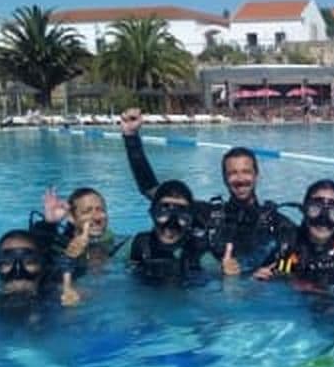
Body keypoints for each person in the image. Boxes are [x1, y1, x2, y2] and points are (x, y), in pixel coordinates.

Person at [120, 108, 296, 275]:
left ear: (256, 175)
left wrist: (275, 275)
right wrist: (131, 138)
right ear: (224, 178)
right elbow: (152, 191)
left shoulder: (277, 222)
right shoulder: (208, 215)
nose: (240, 179)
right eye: (233, 173)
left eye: (246, 172)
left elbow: (302, 252)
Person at [129, 180, 210, 283]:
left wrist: (229, 276)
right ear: (152, 213)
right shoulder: (141, 244)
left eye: (182, 215)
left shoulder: (199, 249)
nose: (172, 223)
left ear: (191, 219)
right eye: (163, 212)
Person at [0, 230, 51, 314]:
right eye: (7, 263)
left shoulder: (63, 297)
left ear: (43, 268)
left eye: (29, 262)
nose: (18, 275)